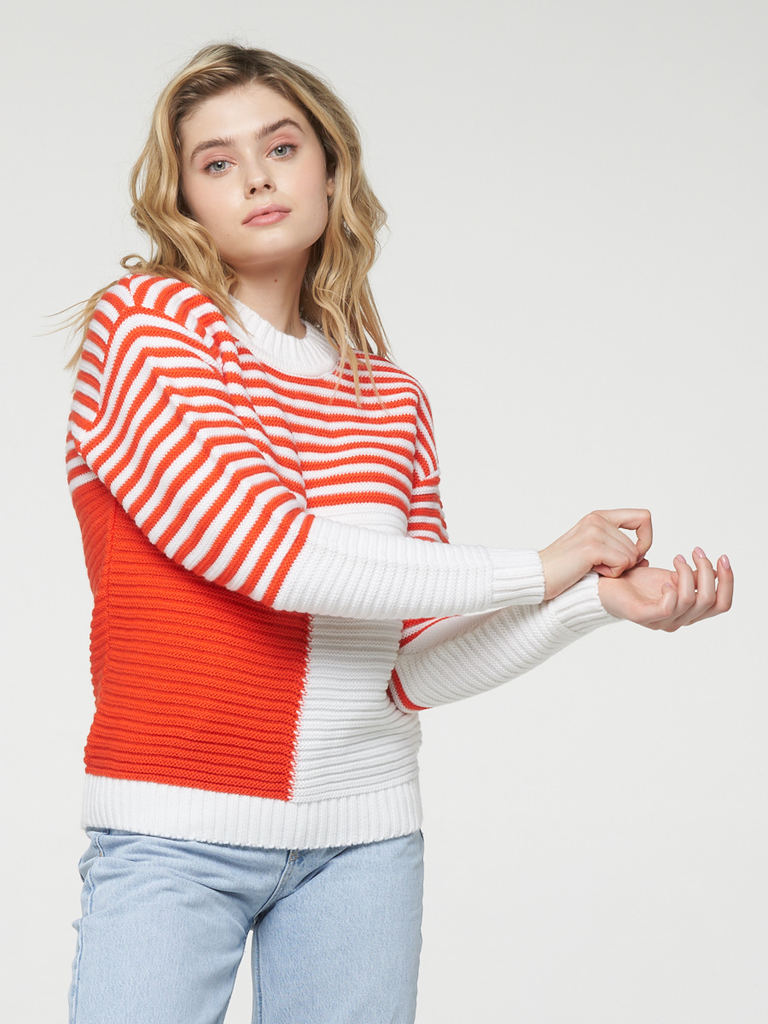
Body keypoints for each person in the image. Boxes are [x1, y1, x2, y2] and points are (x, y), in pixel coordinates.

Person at [61, 41, 733, 1024]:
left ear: (331, 169)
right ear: (184, 201)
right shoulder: (148, 324)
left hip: (364, 844)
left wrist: (591, 599)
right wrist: (546, 564)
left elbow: (412, 660)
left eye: (281, 147)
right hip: (175, 831)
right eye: (216, 161)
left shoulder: (389, 397)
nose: (256, 177)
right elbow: (274, 555)